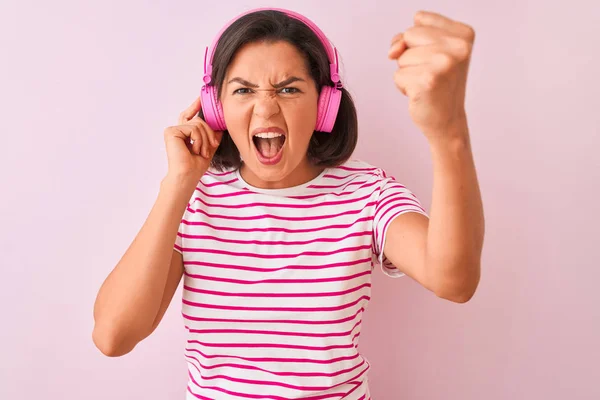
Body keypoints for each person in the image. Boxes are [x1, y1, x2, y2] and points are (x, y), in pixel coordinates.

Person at [92, 7, 484, 399]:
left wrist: (448, 131)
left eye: (289, 88)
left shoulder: (368, 193)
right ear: (215, 108)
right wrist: (179, 183)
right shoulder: (194, 198)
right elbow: (113, 336)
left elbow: (454, 280)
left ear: (324, 106)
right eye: (243, 90)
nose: (265, 109)